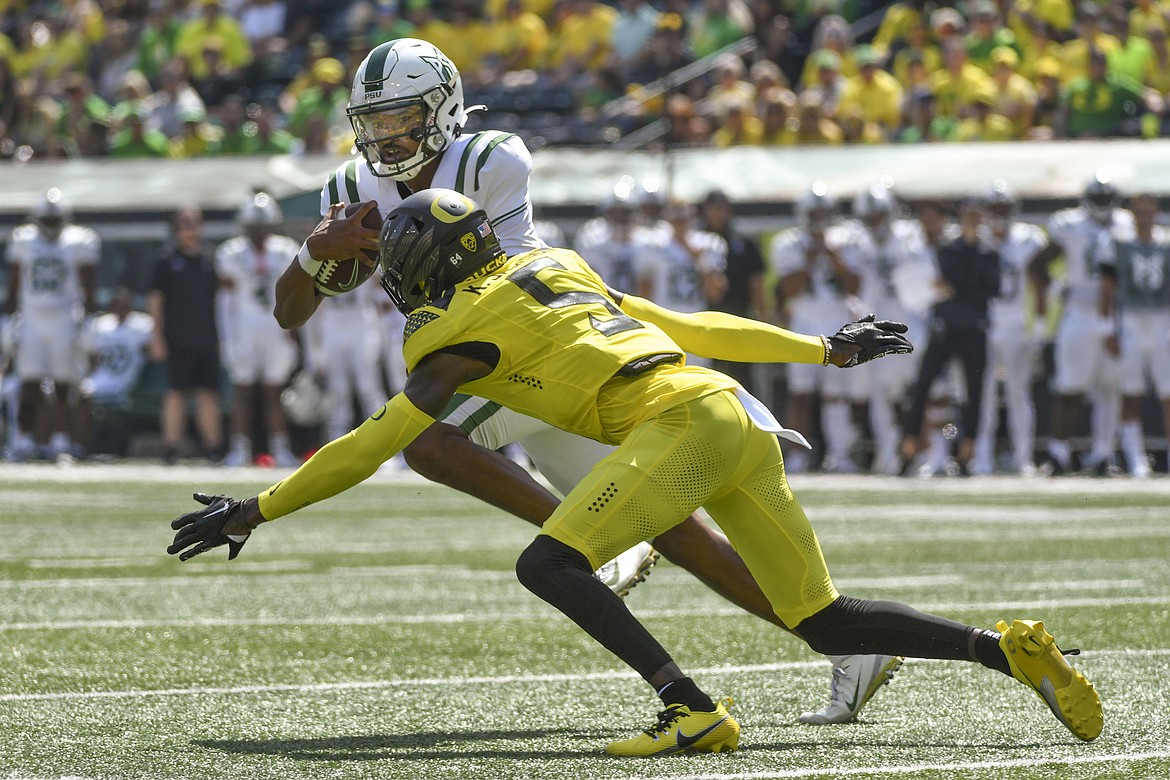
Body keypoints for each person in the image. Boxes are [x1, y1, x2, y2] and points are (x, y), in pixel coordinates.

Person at [168, 189, 1102, 756]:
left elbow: (374, 444)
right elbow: (689, 326)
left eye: (398, 265)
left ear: (427, 264)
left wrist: (261, 506)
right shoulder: (555, 266)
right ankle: (1002, 647)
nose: (393, 281)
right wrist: (820, 350)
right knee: (819, 618)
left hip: (675, 424)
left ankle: (689, 709)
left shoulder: (449, 334)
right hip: (732, 412)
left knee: (548, 564)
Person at [267, 37, 900, 724]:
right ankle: (847, 649)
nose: (386, 139)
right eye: (374, 123)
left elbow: (491, 295)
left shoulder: (489, 159)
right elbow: (289, 312)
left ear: (443, 112)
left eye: (401, 120)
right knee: (676, 531)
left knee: (426, 442)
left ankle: (614, 552)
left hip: (530, 348)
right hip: (508, 364)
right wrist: (311, 256)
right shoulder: (348, 191)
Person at [1029, 172, 1134, 475]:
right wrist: (1056, 289)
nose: (1102, 204)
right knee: (1070, 385)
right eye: (1097, 198)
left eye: (1106, 198)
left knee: (1111, 386)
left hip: (1116, 312)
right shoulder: (1070, 224)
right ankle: (1058, 453)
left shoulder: (1125, 223)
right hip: (1079, 310)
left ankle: (1104, 454)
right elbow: (1037, 264)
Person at [900, 198, 1001, 475]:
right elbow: (951, 279)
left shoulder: (988, 250)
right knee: (922, 387)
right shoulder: (948, 248)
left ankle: (967, 452)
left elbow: (990, 288)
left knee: (974, 392)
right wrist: (964, 282)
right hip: (946, 325)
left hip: (973, 327)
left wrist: (962, 284)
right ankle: (908, 449)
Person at [772, 182, 862, 474]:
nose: (820, 219)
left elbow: (854, 286)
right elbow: (789, 288)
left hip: (837, 321)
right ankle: (797, 454)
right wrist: (810, 258)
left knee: (836, 394)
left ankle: (839, 454)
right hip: (805, 322)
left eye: (824, 213)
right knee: (801, 392)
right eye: (815, 213)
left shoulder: (846, 240)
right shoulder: (788, 242)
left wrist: (833, 256)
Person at [2, 188, 97, 462]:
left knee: (63, 384)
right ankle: (24, 440)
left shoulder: (79, 241)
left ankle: (60, 442)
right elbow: (14, 285)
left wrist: (89, 321)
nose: (51, 226)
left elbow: (88, 285)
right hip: (32, 317)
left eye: (55, 221)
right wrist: (8, 319)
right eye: (47, 220)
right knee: (28, 383)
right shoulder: (23, 240)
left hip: (65, 316)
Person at [216, 192, 301, 468]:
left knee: (273, 391)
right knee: (243, 392)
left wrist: (295, 331)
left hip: (276, 327)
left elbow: (295, 294)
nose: (258, 231)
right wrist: (226, 337)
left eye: (262, 225)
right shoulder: (231, 252)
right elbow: (225, 300)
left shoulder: (285, 249)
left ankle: (281, 449)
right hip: (244, 327)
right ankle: (239, 449)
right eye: (253, 226)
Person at [972, 180, 1046, 476]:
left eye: (1004, 208)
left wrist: (1039, 327)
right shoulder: (975, 239)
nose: (999, 214)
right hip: (984, 323)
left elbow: (1041, 284)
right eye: (994, 208)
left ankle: (1023, 458)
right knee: (983, 393)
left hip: (1016, 322)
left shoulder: (1030, 238)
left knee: (1019, 392)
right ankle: (982, 457)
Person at [1096, 193, 1170, 478]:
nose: (1144, 215)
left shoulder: (1165, 243)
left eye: (1148, 209)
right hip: (1131, 321)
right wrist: (1107, 329)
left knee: (1168, 393)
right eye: (1139, 210)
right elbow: (1107, 289)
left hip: (1162, 320)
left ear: (1157, 212)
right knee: (1131, 392)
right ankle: (1135, 457)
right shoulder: (1118, 243)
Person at [148, 204, 224, 464]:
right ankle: (171, 449)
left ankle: (213, 449)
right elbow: (156, 301)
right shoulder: (166, 261)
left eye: (194, 223)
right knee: (176, 393)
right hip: (177, 338)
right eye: (184, 224)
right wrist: (157, 336)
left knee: (208, 393)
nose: (190, 230)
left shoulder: (211, 260)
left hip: (207, 337)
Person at [76, 286, 154, 457]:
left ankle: (78, 446)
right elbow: (92, 356)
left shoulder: (142, 326)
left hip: (123, 379)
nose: (120, 308)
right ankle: (69, 443)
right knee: (69, 394)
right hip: (101, 377)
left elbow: (153, 350)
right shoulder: (101, 325)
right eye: (117, 304)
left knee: (83, 397)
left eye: (124, 305)